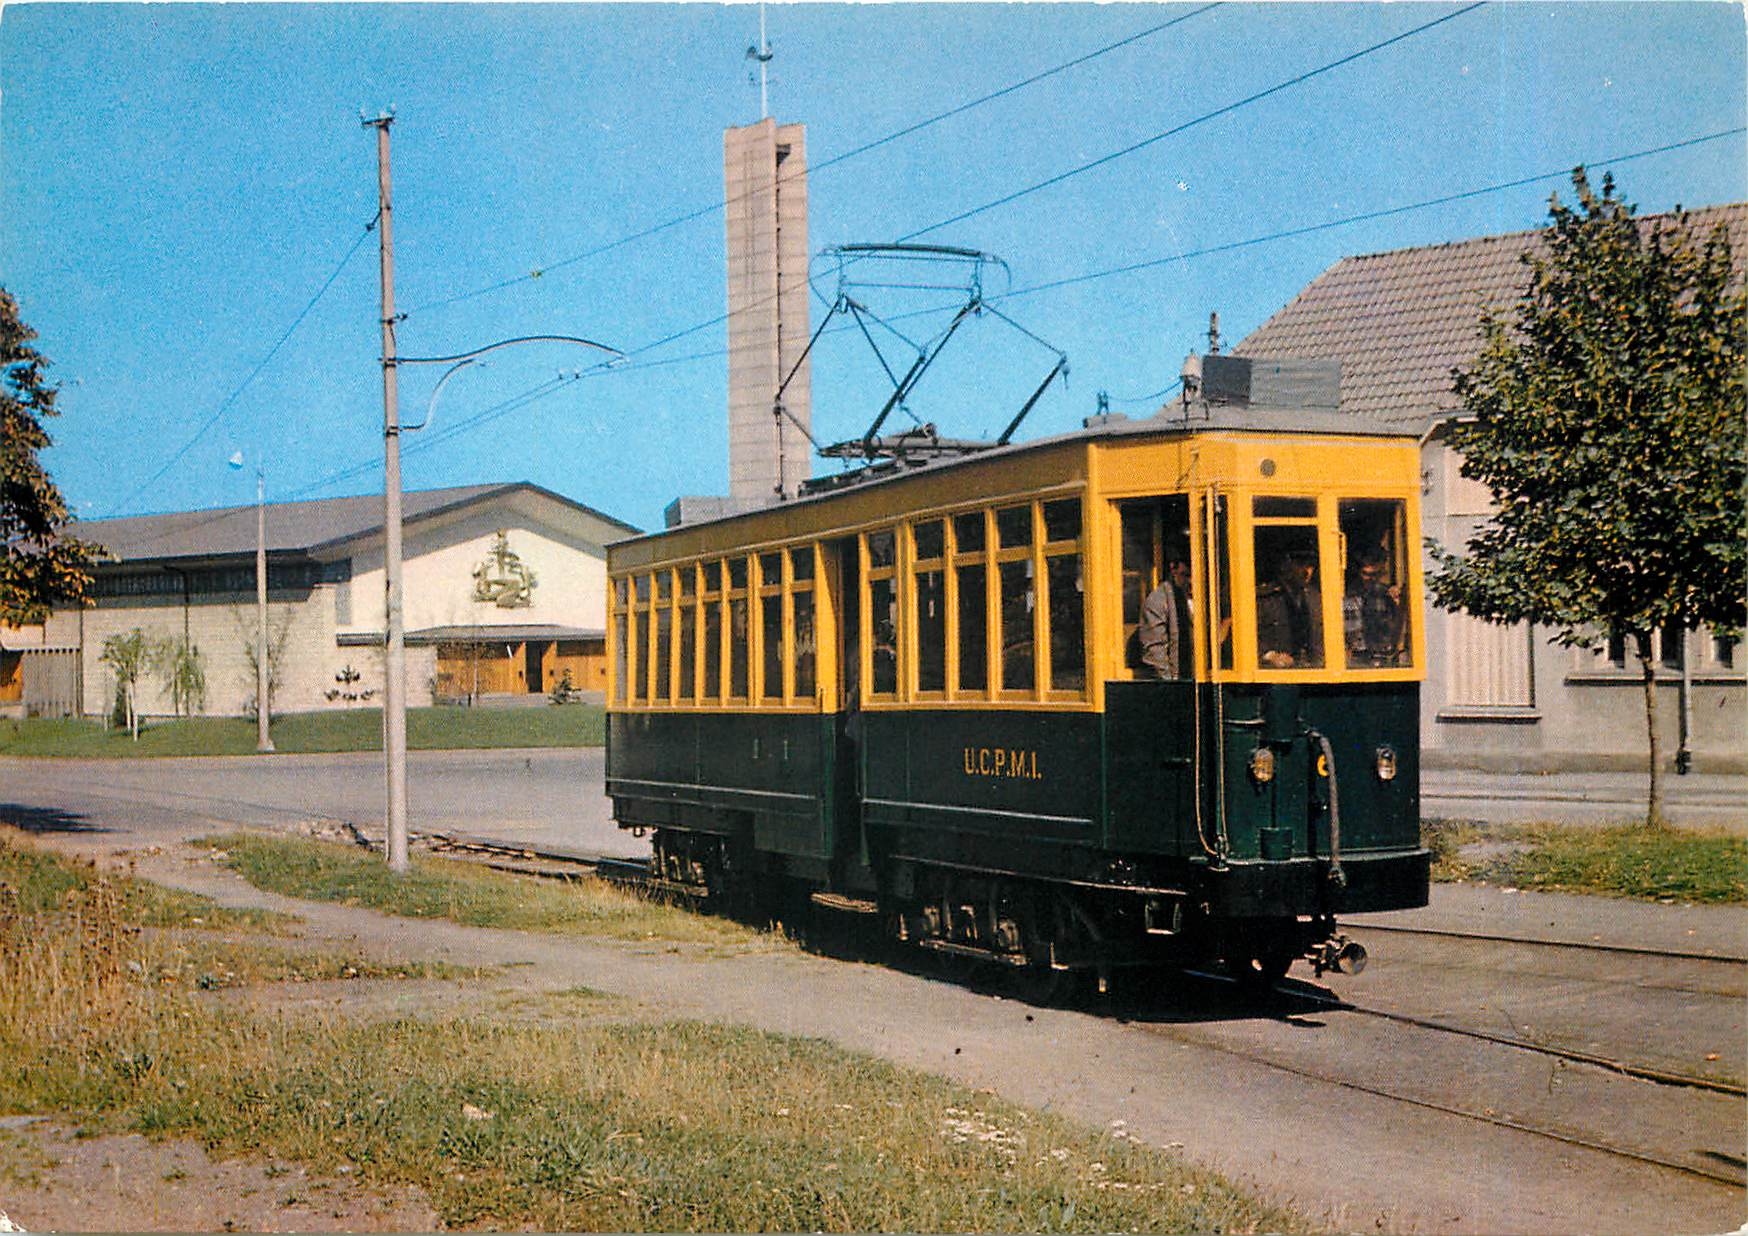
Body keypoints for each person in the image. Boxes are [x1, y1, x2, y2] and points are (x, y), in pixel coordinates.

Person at [1257, 552, 1319, 668]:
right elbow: (1243, 638)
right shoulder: (1264, 599)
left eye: (1310, 565)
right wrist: (1269, 655)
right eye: (1300, 564)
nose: (1307, 571)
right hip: (1274, 677)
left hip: (1314, 673)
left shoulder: (1317, 599)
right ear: (1285, 565)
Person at [1138, 550, 1194, 679]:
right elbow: (1155, 651)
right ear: (1173, 570)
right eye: (1185, 575)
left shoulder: (1209, 596)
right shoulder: (1158, 601)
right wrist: (1172, 685)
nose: (1191, 581)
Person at [1346, 551, 1404, 665]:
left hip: (1382, 657)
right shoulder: (1346, 596)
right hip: (1354, 659)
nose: (1370, 579)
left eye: (1375, 574)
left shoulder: (1386, 595)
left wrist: (1399, 606)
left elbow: (1397, 628)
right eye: (1366, 574)